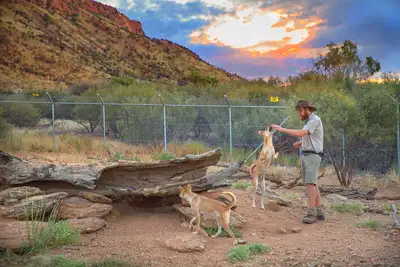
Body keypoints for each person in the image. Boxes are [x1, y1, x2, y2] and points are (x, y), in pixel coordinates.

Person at [271, 100, 325, 224]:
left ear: (307, 109)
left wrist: (281, 129)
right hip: (309, 154)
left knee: (311, 184)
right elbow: (313, 138)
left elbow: (302, 133)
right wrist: (301, 144)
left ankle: (311, 213)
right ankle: (319, 211)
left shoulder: (314, 120)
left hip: (312, 156)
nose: (299, 114)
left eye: (300, 111)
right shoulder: (310, 122)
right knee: (313, 184)